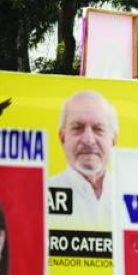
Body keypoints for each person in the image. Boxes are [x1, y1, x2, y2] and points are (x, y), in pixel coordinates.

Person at [47, 90, 119, 227]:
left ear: (113, 140)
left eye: (98, 129)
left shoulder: (129, 197)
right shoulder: (42, 196)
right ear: (62, 138)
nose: (88, 140)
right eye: (78, 128)